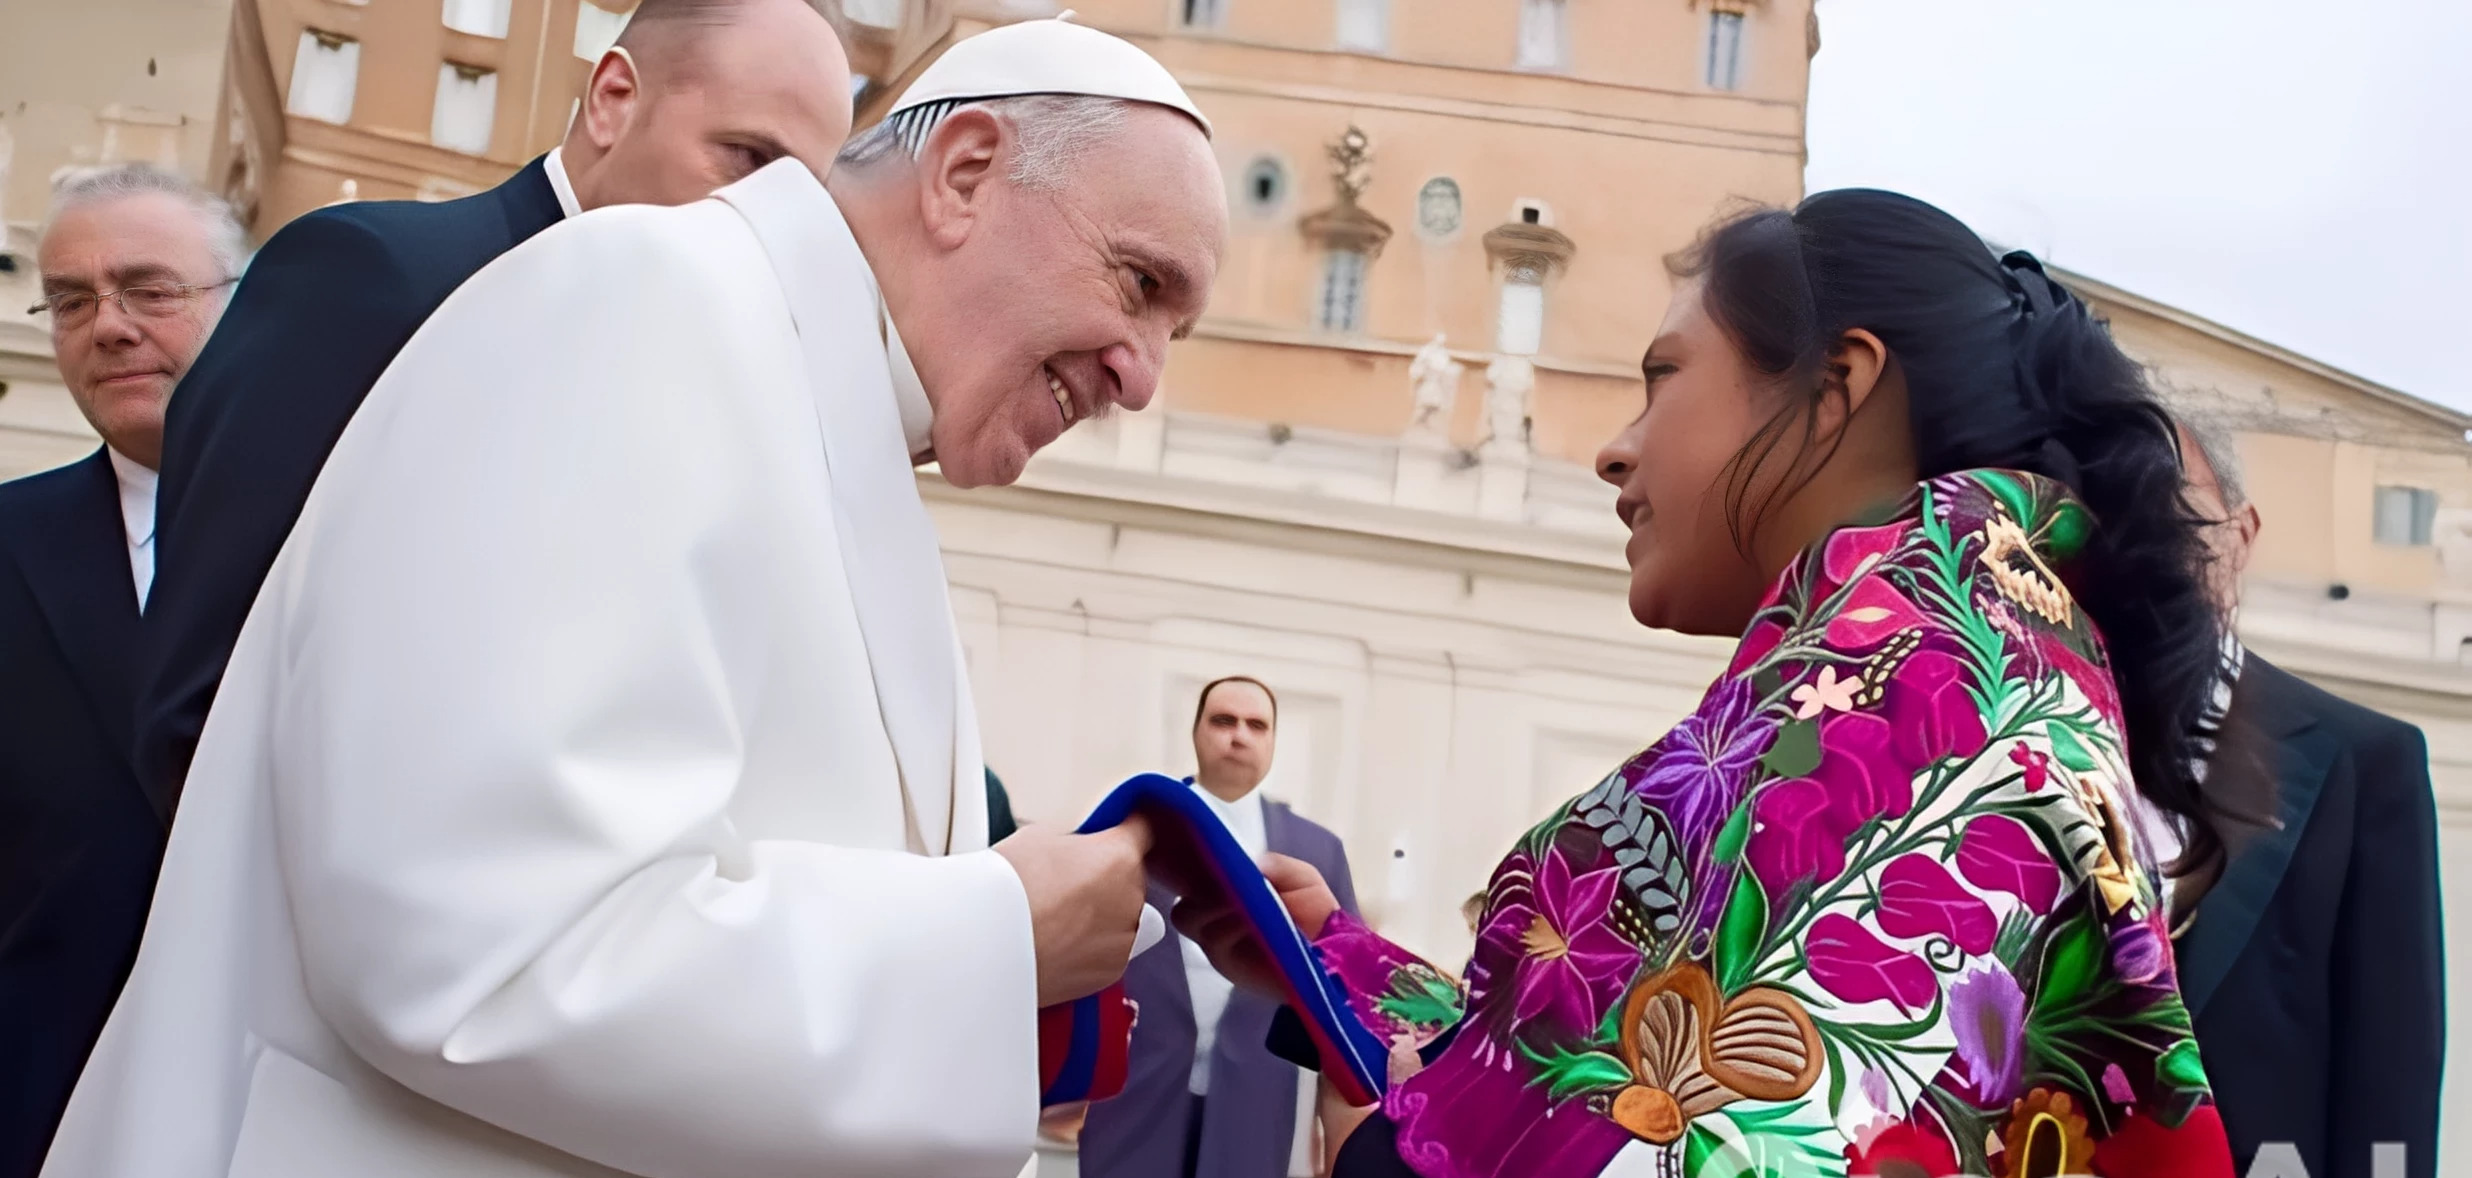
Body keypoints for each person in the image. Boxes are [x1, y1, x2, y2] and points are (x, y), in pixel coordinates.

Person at [41, 18, 1224, 1178]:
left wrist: (1095, 898)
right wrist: (991, 934)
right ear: (963, 173)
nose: (1140, 375)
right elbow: (482, 940)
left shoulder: (823, 402)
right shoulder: (640, 300)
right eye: (1138, 283)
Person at [1180, 190, 2241, 1177]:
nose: (1615, 449)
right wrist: (1341, 967)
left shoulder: (1914, 694)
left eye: (1663, 376)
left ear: (1838, 387)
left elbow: (1682, 1135)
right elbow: (1651, 1065)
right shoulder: (1979, 658)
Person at [132, 0, 857, 808]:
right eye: (745, 159)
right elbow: (204, 709)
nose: (769, 224)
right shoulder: (371, 280)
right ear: (614, 98)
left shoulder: (724, 398)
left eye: (802, 201)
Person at [0, 165, 243, 1178]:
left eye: (149, 289)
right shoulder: (10, 539)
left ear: (245, 308)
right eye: (70, 298)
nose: (106, 325)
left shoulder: (347, 525)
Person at [2168, 418, 2444, 1178]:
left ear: (2242, 534)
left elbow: (2391, 1078)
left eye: (2179, 515)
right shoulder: (2038, 739)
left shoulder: (2367, 761)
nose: (2152, 551)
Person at [1081, 676, 1358, 1178]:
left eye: (1257, 725)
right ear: (1196, 732)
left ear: (1273, 743)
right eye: (1223, 720)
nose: (1239, 736)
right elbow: (1082, 952)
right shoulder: (1134, 828)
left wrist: (1337, 1133)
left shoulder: (1317, 852)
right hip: (1136, 1089)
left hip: (1255, 1100)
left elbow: (1346, 997)